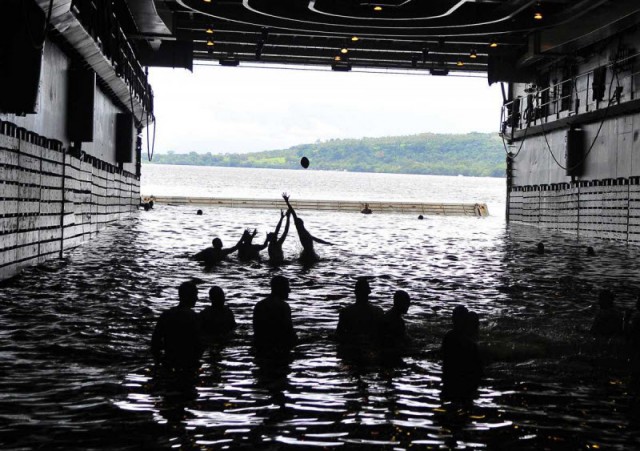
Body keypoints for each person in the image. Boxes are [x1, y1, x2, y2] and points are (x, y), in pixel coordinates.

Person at [151, 281, 203, 370]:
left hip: (168, 362)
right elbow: (199, 345)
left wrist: (158, 361)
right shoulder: (194, 318)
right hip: (188, 365)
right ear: (189, 297)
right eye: (195, 295)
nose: (197, 298)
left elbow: (155, 342)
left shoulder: (166, 315)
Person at [441, 305, 483, 402]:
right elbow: (478, 369)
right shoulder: (469, 344)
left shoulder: (448, 337)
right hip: (464, 382)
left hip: (449, 381)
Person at [282, 192, 333, 263]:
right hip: (309, 254)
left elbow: (316, 239)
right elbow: (293, 213)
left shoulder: (304, 232)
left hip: (308, 253)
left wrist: (327, 243)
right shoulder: (302, 232)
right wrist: (287, 202)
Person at [253, 275, 297, 353]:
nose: (289, 290)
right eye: (287, 287)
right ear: (280, 288)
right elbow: (289, 331)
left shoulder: (259, 305)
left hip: (260, 345)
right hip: (279, 347)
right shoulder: (283, 306)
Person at [336, 278, 384, 345]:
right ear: (369, 292)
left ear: (355, 293)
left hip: (351, 347)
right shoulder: (377, 312)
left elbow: (338, 334)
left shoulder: (346, 312)